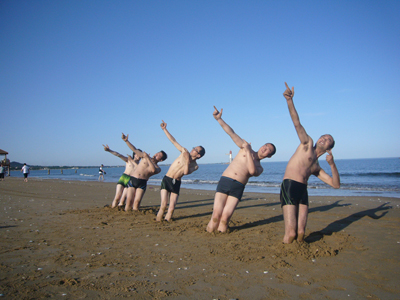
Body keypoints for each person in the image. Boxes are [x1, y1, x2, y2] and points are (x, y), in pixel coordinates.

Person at [281, 82, 340, 244]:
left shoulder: (316, 167)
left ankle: (298, 255)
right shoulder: (307, 143)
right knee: (291, 233)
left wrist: (332, 165)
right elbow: (297, 123)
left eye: (328, 139)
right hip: (290, 186)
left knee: (301, 233)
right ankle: (284, 254)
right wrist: (289, 101)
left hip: (303, 191)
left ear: (329, 148)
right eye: (324, 136)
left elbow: (335, 185)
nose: (323, 138)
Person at [206, 106, 276, 233]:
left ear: (269, 156)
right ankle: (208, 235)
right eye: (265, 146)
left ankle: (221, 237)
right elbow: (231, 133)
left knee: (225, 218)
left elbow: (252, 171)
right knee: (216, 215)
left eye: (268, 150)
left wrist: (249, 151)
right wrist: (219, 119)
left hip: (238, 186)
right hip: (226, 180)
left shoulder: (259, 167)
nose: (264, 149)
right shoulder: (244, 147)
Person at [157, 120, 205, 222]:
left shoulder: (195, 166)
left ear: (198, 155)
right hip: (167, 179)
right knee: (164, 204)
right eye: (193, 148)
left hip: (176, 182)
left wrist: (187, 160)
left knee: (172, 207)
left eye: (195, 150)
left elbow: (186, 172)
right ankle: (158, 221)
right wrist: (164, 129)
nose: (193, 150)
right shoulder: (184, 151)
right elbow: (173, 141)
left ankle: (166, 222)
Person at [122, 133, 167, 211]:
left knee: (136, 203)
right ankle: (126, 215)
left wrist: (148, 159)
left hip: (142, 183)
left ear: (161, 160)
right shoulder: (144, 156)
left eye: (159, 155)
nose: (156, 154)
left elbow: (153, 170)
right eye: (157, 153)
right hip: (133, 179)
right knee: (129, 201)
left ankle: (135, 215)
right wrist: (126, 141)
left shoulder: (158, 168)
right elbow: (134, 150)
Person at [103, 144, 141, 208]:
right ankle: (113, 208)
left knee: (123, 199)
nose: (139, 156)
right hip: (124, 177)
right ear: (134, 154)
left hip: (130, 180)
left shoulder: (140, 165)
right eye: (138, 154)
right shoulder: (128, 160)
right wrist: (109, 150)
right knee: (117, 196)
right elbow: (118, 155)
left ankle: (120, 207)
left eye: (140, 155)